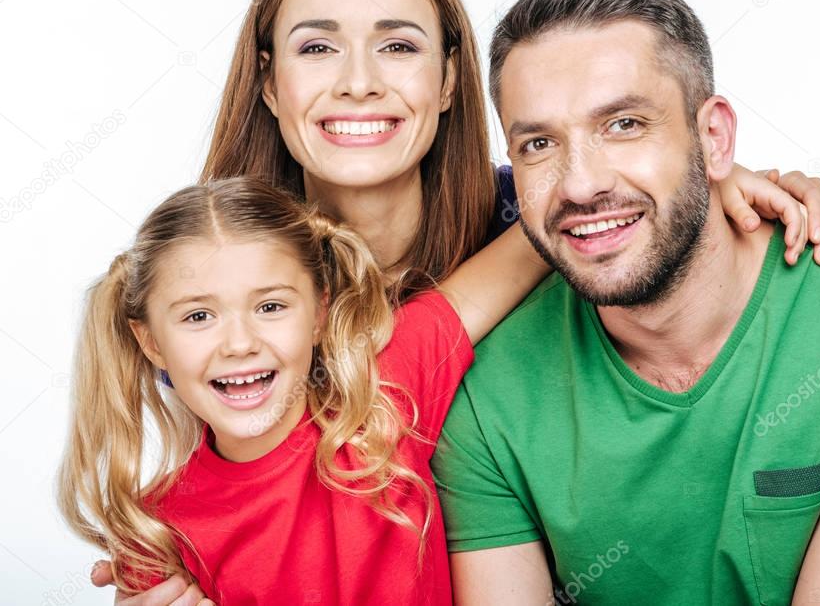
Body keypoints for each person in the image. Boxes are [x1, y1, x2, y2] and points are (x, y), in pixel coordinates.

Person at [87, 0, 820, 604]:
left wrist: (718, 180)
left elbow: (630, 195)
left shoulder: (542, 213)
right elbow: (249, 506)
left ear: (445, 80)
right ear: (269, 81)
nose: (358, 81)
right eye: (317, 46)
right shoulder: (222, 271)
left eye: (396, 45)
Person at [431, 0, 820, 605]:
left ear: (714, 138)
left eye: (624, 124)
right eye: (538, 145)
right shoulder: (483, 393)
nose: (580, 184)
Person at [60, 176, 550, 604]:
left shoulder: (382, 394)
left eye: (271, 307)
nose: (239, 344)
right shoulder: (156, 536)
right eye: (198, 316)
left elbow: (527, 247)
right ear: (151, 342)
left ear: (318, 314)